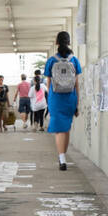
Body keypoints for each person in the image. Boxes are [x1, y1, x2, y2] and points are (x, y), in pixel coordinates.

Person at [44, 30, 82, 170]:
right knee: (66, 128)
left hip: (56, 98)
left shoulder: (52, 60)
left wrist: (50, 99)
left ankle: (62, 159)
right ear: (69, 42)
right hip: (70, 97)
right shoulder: (74, 60)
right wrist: (77, 102)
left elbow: (48, 83)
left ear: (56, 42)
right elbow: (76, 84)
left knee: (59, 129)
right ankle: (63, 156)